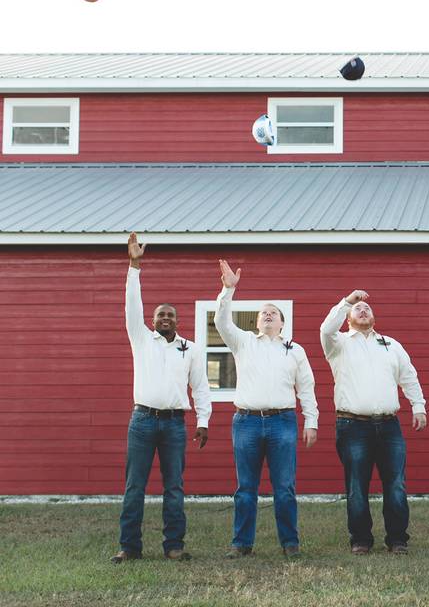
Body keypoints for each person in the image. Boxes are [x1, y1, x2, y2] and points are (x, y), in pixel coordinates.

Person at [113, 232, 212, 564]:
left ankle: (174, 545)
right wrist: (134, 265)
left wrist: (203, 421)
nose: (165, 318)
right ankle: (129, 547)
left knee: (174, 487)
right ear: (152, 322)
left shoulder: (191, 349)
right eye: (160, 315)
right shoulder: (141, 340)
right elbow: (132, 304)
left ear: (177, 321)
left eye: (170, 314)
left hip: (174, 425)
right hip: (142, 421)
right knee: (134, 486)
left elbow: (200, 387)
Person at [215, 259, 319, 559]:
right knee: (245, 487)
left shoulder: (294, 350)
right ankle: (241, 543)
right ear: (257, 322)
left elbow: (307, 388)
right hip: (246, 421)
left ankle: (290, 543)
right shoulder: (243, 342)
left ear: (283, 322)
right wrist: (227, 290)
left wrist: (311, 421)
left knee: (284, 487)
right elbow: (222, 322)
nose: (268, 315)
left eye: (273, 313)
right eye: (263, 313)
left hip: (282, 422)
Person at [320, 290, 427, 555]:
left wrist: (419, 405)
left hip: (389, 426)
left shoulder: (391, 344)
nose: (362, 309)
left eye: (366, 307)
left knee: (395, 484)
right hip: (353, 426)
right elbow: (325, 327)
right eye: (357, 308)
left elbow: (409, 376)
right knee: (357, 485)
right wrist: (347, 300)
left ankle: (398, 539)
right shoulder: (338, 343)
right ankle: (361, 540)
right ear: (348, 317)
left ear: (374, 316)